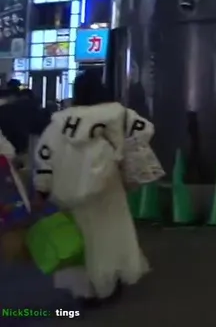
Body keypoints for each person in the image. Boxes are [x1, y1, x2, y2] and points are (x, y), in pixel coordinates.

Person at [32, 70, 150, 306]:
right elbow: (144, 130)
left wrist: (42, 190)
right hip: (107, 189)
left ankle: (84, 290)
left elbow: (44, 158)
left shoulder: (57, 125)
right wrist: (121, 151)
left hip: (68, 193)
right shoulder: (117, 115)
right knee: (109, 236)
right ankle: (109, 283)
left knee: (80, 239)